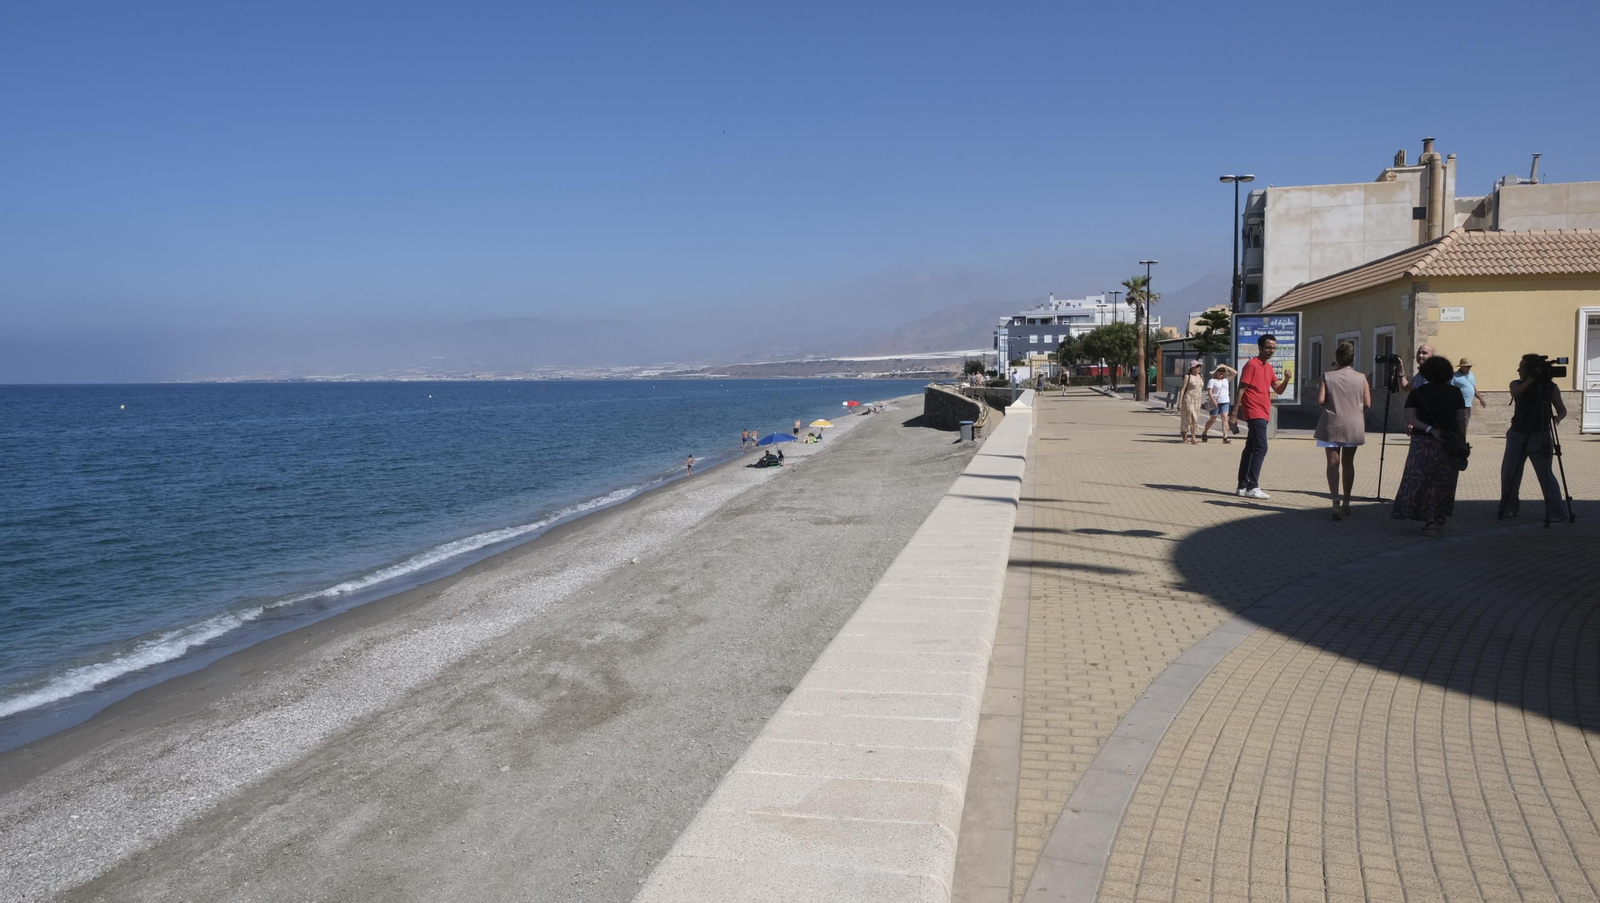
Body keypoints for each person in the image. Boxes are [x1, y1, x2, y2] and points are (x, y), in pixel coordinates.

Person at [1392, 355, 1466, 533]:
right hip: (1449, 442)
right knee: (1444, 480)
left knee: (1423, 480)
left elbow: (1409, 417)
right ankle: (1439, 514)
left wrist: (1429, 429)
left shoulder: (1418, 392)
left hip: (1422, 443)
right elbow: (1461, 420)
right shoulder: (1455, 392)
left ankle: (1429, 519)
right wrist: (1461, 441)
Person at [1499, 353, 1569, 521]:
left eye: (1521, 367)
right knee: (1509, 472)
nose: (1518, 370)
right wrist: (1530, 379)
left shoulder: (1550, 387)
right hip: (1517, 433)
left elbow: (1562, 409)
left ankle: (1556, 511)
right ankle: (1508, 508)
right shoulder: (1516, 383)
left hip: (1541, 434)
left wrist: (1558, 418)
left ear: (1529, 370)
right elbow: (1516, 393)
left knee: (1545, 474)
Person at [1229, 334, 1292, 499]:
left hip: (1264, 411)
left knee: (1250, 448)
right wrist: (1234, 413)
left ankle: (1242, 486)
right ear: (1260, 348)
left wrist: (1286, 379)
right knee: (1261, 447)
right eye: (1268, 347)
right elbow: (1241, 389)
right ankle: (1252, 486)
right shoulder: (1252, 365)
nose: (1271, 351)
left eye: (1273, 348)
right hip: (1254, 410)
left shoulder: (1268, 367)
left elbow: (1278, 389)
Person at [1314, 340, 1371, 520]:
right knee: (1348, 463)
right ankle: (1347, 500)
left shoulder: (1328, 376)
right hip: (1354, 423)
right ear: (1353, 360)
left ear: (1337, 359)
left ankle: (1335, 500)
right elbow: (1368, 403)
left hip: (1332, 422)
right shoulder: (1362, 378)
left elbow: (1321, 401)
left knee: (1332, 463)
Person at [1201, 364, 1236, 443]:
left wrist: (1225, 367)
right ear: (1216, 372)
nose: (1221, 372)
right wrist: (1213, 401)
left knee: (1225, 418)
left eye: (1223, 371)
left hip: (1225, 401)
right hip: (1215, 401)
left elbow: (1234, 372)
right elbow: (1209, 392)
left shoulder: (1226, 379)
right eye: (1219, 371)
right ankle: (1205, 432)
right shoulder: (1212, 381)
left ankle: (1225, 437)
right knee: (1213, 419)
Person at [1451, 358, 1487, 428]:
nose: (1469, 368)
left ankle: (1463, 438)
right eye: (1467, 366)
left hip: (1468, 405)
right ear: (1461, 366)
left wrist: (1481, 398)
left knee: (1465, 424)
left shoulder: (1471, 375)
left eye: (1470, 366)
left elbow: (1472, 387)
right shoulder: (1454, 376)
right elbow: (1449, 389)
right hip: (1459, 405)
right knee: (1461, 424)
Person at [1177, 360, 1205, 444]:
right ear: (1192, 368)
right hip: (1188, 399)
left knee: (1195, 418)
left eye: (1199, 366)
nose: (1198, 368)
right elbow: (1183, 389)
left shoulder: (1201, 376)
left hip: (1197, 400)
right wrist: (1180, 402)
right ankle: (1188, 434)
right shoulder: (1187, 377)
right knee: (1189, 417)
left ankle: (1191, 435)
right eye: (1197, 366)